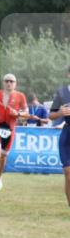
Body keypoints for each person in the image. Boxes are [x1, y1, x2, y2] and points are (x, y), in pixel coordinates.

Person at [0, 73, 28, 192]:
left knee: (3, 156)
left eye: (11, 81)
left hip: (10, 129)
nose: (9, 83)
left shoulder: (20, 96)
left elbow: (26, 113)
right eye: (7, 81)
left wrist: (18, 114)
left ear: (15, 84)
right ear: (3, 83)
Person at [48, 65, 70, 207]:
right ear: (68, 74)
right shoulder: (62, 92)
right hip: (67, 135)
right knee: (68, 173)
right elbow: (51, 115)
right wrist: (60, 113)